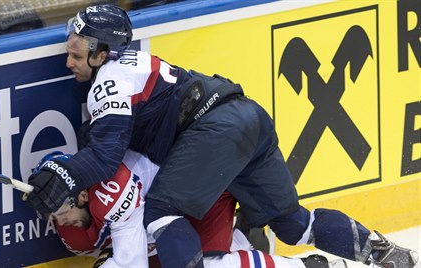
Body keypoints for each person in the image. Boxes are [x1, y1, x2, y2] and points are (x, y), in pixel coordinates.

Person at [24, 4, 419, 268]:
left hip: (213, 132)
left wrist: (62, 175)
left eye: (76, 53)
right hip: (248, 120)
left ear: (101, 51)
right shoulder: (133, 63)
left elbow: (106, 158)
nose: (69, 61)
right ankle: (385, 254)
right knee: (293, 224)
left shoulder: (108, 82)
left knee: (161, 214)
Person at [36, 150, 346, 268]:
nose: (58, 220)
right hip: (170, 220)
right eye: (51, 215)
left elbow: (131, 262)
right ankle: (243, 239)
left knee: (207, 266)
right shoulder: (71, 229)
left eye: (60, 210)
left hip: (200, 199)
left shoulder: (111, 189)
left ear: (80, 196)